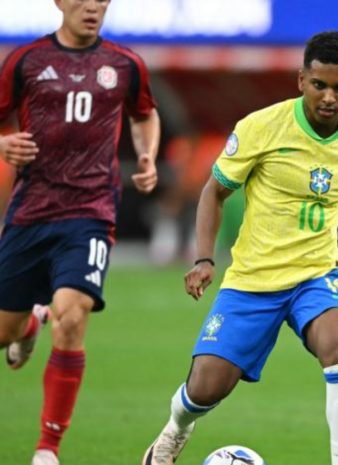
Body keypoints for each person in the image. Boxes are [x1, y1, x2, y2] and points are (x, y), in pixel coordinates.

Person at [142, 31, 338, 465]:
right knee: (205, 388)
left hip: (316, 274)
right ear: (301, 80)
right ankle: (176, 429)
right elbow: (213, 192)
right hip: (253, 279)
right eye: (319, 85)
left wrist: (329, 238)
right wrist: (203, 259)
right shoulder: (260, 127)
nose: (329, 97)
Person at [0, 1, 160, 464]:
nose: (93, 6)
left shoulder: (125, 64)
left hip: (91, 211)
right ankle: (29, 324)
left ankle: (47, 448)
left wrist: (146, 155)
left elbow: (144, 114)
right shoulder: (26, 61)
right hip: (31, 212)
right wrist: (4, 144)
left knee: (72, 316)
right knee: (5, 330)